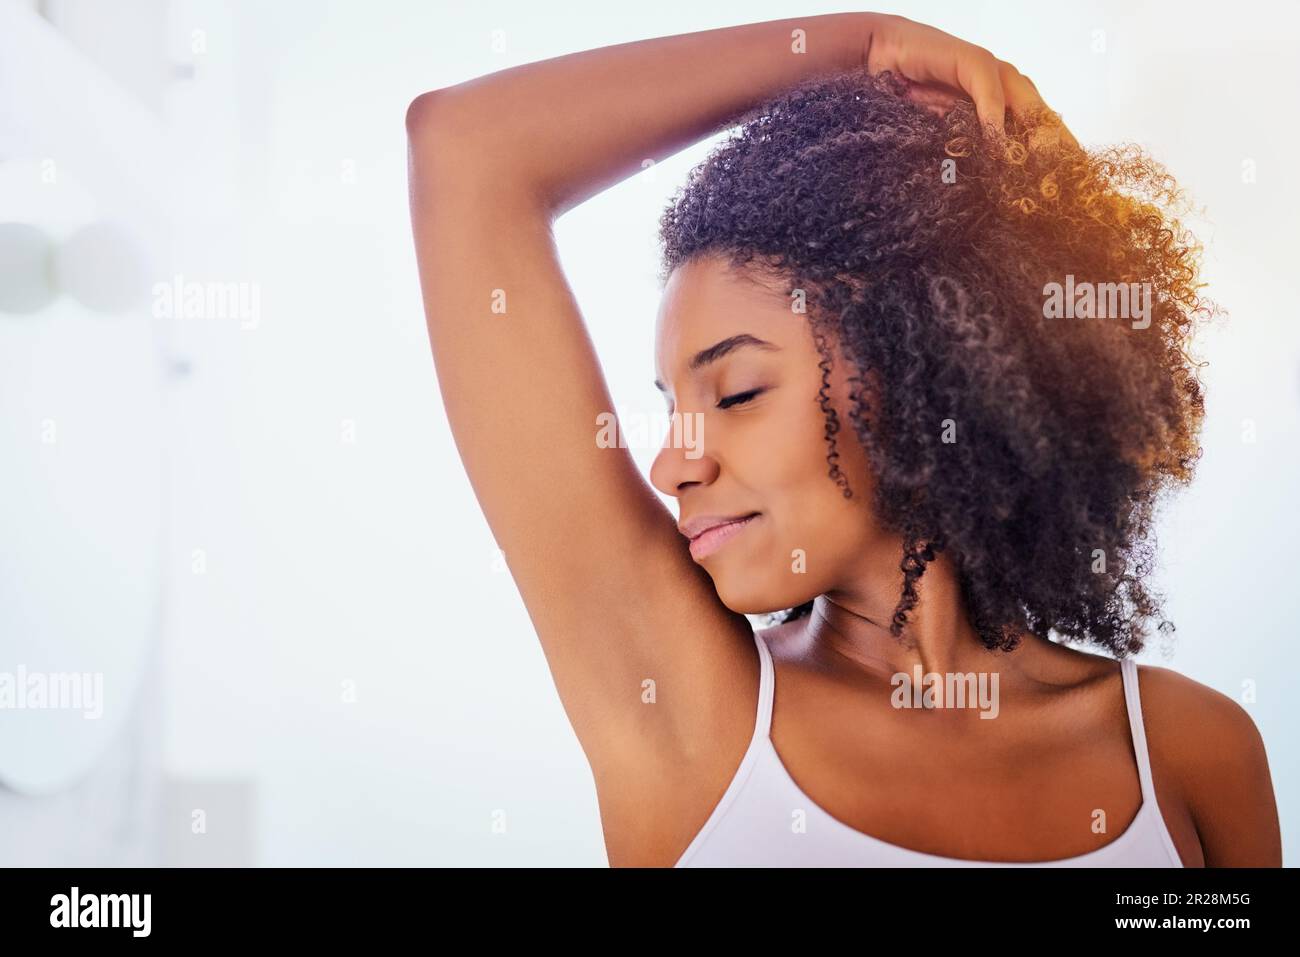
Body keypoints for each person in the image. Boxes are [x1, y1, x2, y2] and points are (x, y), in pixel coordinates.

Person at [405, 12, 1281, 867]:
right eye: (673, 405)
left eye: (738, 391)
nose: (675, 461)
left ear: (922, 368)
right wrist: (855, 47)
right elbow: (466, 147)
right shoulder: (693, 713)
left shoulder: (1187, 754)